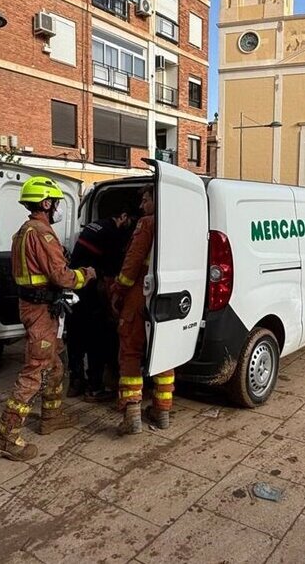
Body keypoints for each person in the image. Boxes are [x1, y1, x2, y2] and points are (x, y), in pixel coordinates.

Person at [0, 176, 96, 461]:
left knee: (55, 365)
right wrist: (86, 274)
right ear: (46, 204)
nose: (59, 208)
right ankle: (5, 437)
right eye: (57, 203)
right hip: (40, 313)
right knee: (33, 373)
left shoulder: (23, 232)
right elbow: (62, 276)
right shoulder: (43, 234)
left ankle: (51, 416)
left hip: (37, 308)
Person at [111, 185, 174, 433]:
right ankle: (162, 411)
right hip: (171, 296)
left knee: (130, 351)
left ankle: (132, 413)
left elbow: (132, 263)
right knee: (165, 353)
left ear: (156, 199)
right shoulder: (182, 222)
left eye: (146, 199)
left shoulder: (147, 223)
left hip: (141, 294)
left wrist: (118, 289)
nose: (141, 205)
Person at [65, 206, 136, 400]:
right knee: (96, 339)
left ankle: (75, 381)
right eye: (129, 221)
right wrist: (115, 298)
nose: (130, 226)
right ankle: (95, 388)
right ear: (123, 215)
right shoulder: (113, 233)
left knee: (75, 337)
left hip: (74, 289)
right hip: (91, 291)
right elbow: (113, 273)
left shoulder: (93, 226)